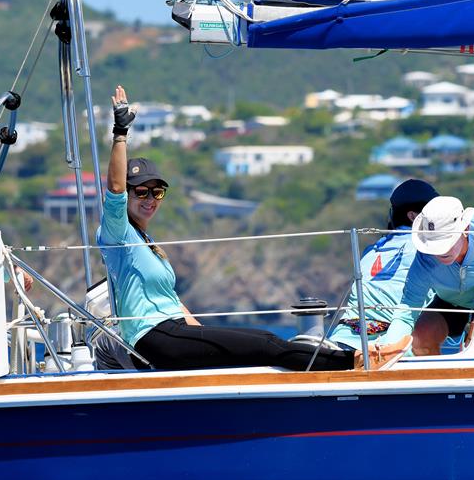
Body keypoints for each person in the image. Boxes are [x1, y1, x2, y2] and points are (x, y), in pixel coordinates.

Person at [96, 86, 411, 372]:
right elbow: (113, 191)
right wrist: (120, 133)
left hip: (175, 332)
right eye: (140, 192)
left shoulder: (147, 242)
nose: (150, 199)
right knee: (266, 345)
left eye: (157, 192)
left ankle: (358, 360)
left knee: (262, 339)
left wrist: (205, 336)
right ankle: (359, 362)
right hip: (154, 337)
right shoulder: (118, 232)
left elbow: (175, 303)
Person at [329, 179, 439, 350]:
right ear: (413, 216)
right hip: (386, 348)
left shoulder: (370, 251)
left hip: (339, 339)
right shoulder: (430, 249)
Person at [407, 196, 474, 355]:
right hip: (450, 302)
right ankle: (439, 379)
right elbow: (407, 307)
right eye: (434, 245)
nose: (440, 251)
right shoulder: (424, 257)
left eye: (446, 242)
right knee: (419, 339)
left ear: (466, 229)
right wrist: (388, 348)